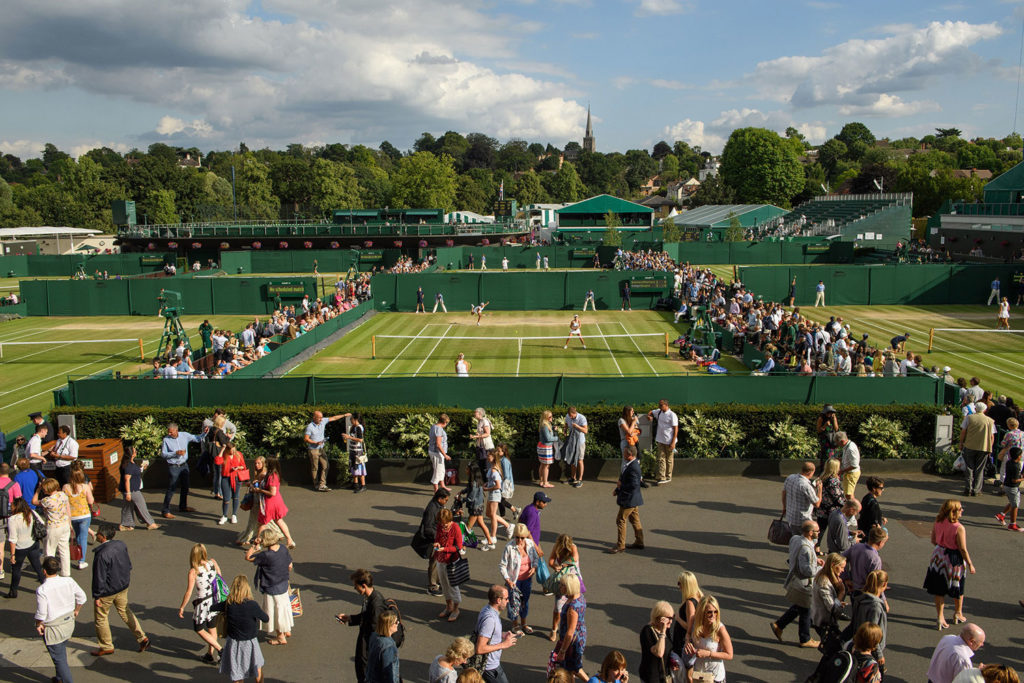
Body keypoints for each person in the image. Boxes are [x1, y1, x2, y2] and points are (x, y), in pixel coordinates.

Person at [90, 523, 149, 656]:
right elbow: (128, 564)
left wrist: (97, 595)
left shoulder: (101, 554)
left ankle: (106, 646)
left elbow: (99, 577)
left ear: (103, 536)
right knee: (125, 611)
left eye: (98, 533)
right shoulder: (121, 545)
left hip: (107, 591)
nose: (96, 534)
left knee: (101, 617)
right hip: (122, 586)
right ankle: (142, 637)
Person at [34, 555, 86, 683]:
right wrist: (76, 610)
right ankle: (59, 678)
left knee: (59, 660)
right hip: (68, 623)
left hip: (53, 628)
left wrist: (38, 624)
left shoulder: (42, 590)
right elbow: (82, 597)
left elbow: (41, 613)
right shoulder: (68, 581)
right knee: (61, 652)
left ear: (44, 571)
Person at [925, 499, 976, 630]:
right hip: (953, 558)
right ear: (954, 511)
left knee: (939, 589)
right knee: (958, 586)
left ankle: (940, 617)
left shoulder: (938, 521)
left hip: (938, 556)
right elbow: (962, 549)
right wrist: (970, 564)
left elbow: (933, 540)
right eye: (960, 509)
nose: (962, 510)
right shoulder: (959, 528)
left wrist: (941, 548)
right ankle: (958, 613)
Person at [770, 519, 822, 648]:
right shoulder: (806, 549)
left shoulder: (795, 539)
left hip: (794, 578)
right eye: (817, 531)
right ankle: (805, 638)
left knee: (800, 606)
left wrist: (815, 560)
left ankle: (779, 625)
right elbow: (807, 570)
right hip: (804, 583)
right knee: (806, 609)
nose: (819, 533)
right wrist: (820, 569)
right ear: (810, 533)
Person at [213, 574, 268, 683]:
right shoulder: (252, 605)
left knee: (237, 671)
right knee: (257, 667)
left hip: (234, 642)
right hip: (250, 641)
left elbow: (213, 607)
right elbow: (265, 618)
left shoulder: (228, 604)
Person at [337, 568, 387, 683]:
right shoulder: (370, 598)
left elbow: (375, 629)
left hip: (369, 645)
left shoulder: (376, 603)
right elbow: (365, 616)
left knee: (365, 672)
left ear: (363, 585)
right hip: (366, 641)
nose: (355, 589)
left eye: (356, 586)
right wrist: (349, 618)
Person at [177, 543, 224, 663]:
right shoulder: (213, 562)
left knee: (199, 628)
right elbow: (219, 576)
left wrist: (182, 607)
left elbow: (188, 592)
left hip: (203, 603)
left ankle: (220, 650)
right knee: (212, 627)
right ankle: (209, 654)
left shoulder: (194, 571)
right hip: (214, 600)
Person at [246, 528, 293, 646]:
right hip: (283, 584)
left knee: (275, 612)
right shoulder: (283, 549)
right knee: (283, 608)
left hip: (272, 587)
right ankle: (286, 630)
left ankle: (281, 636)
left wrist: (254, 545)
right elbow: (290, 565)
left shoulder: (266, 555)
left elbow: (248, 557)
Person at [500, 523, 542, 636]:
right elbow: (502, 565)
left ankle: (524, 624)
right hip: (514, 581)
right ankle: (515, 625)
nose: (519, 540)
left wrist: (534, 567)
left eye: (522, 537)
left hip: (527, 580)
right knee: (514, 603)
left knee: (525, 602)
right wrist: (508, 580)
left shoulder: (529, 544)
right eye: (517, 537)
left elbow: (535, 558)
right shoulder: (509, 547)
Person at [475, 584, 519, 683]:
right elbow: (480, 648)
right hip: (489, 667)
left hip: (491, 664)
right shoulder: (490, 619)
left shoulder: (487, 609)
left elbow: (486, 633)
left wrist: (501, 634)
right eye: (506, 599)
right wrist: (504, 644)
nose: (508, 601)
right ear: (499, 600)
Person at [160, 422, 203, 519]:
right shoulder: (166, 440)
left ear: (176, 430)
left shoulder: (185, 435)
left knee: (185, 486)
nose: (169, 434)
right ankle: (165, 511)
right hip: (173, 466)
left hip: (184, 465)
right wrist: (175, 453)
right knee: (171, 488)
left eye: (171, 432)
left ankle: (183, 507)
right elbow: (163, 454)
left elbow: (197, 439)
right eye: (169, 432)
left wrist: (204, 433)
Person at [685, 595, 732, 683]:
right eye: (709, 612)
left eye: (716, 612)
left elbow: (729, 654)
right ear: (702, 612)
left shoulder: (720, 629)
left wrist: (708, 653)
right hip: (698, 673)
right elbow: (688, 634)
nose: (713, 615)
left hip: (714, 676)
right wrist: (688, 642)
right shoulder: (694, 621)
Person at [849, 569, 888, 674]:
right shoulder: (875, 606)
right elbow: (872, 633)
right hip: (870, 648)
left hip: (858, 643)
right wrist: (879, 655)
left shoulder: (860, 599)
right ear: (884, 584)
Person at [5, 497, 45, 598]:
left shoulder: (12, 520)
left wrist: (12, 554)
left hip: (20, 548)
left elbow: (13, 539)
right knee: (38, 567)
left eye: (12, 505)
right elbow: (42, 523)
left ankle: (13, 592)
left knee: (16, 570)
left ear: (16, 506)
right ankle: (46, 587)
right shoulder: (32, 513)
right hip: (33, 544)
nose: (11, 507)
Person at [237, 457, 280, 549]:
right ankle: (275, 534)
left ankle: (253, 540)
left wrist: (251, 486)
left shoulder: (263, 474)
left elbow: (262, 488)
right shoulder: (262, 473)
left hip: (260, 499)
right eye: (255, 463)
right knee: (262, 520)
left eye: (259, 463)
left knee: (257, 520)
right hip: (259, 499)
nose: (256, 465)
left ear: (264, 464)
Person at [252, 457, 295, 549]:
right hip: (276, 502)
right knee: (279, 520)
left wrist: (260, 490)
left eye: (267, 463)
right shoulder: (272, 474)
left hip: (270, 503)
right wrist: (259, 482)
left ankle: (257, 545)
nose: (265, 464)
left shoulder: (272, 477)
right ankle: (290, 540)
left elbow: (272, 493)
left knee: (262, 524)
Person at [552, 573, 588, 681]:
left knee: (574, 668)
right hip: (580, 635)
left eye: (562, 585)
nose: (560, 587)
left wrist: (562, 651)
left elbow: (570, 632)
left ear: (569, 587)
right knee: (570, 668)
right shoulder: (579, 597)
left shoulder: (572, 608)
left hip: (572, 641)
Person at [608, 446, 644, 554]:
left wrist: (621, 487)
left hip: (629, 499)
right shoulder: (631, 464)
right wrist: (617, 489)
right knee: (634, 520)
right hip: (634, 499)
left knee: (620, 520)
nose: (623, 454)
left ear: (630, 455)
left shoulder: (633, 467)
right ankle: (639, 541)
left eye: (624, 453)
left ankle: (620, 545)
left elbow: (633, 485)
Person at [304, 410, 350, 492]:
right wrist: (315, 442)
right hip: (313, 449)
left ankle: (322, 484)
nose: (321, 419)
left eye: (322, 417)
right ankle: (316, 485)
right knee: (315, 468)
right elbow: (306, 439)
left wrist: (344, 415)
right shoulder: (310, 427)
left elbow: (334, 418)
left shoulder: (323, 421)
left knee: (326, 465)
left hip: (321, 449)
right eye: (319, 418)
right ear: (314, 417)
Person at [33, 478, 71, 577]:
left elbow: (34, 502)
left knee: (49, 551)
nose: (43, 490)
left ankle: (49, 572)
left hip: (53, 527)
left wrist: (37, 491)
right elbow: (68, 509)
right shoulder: (63, 495)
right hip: (65, 524)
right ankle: (66, 572)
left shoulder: (47, 500)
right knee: (64, 549)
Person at [414, 489, 449, 595]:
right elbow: (428, 528)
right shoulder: (432, 509)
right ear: (440, 499)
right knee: (435, 561)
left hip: (437, 538)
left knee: (438, 561)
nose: (446, 502)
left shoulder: (437, 506)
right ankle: (432, 586)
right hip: (433, 540)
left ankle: (437, 582)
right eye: (446, 500)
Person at [434, 507, 465, 622]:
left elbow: (458, 547)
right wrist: (437, 543)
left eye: (445, 524)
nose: (443, 526)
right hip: (440, 559)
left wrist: (445, 549)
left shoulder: (455, 528)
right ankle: (448, 606)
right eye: (442, 524)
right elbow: (437, 537)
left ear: (450, 520)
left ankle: (456, 609)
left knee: (453, 585)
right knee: (444, 584)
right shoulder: (439, 526)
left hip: (452, 561)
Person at [119, 445, 159, 531]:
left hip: (130, 490)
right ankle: (150, 523)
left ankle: (126, 525)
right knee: (142, 506)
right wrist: (128, 493)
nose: (136, 452)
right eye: (135, 451)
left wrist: (141, 468)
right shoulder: (129, 466)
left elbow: (133, 473)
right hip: (132, 490)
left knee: (128, 507)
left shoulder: (129, 463)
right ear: (132, 454)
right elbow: (127, 479)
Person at [671, 571, 703, 679]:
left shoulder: (690, 603)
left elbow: (690, 626)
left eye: (680, 583)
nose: (678, 586)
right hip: (690, 641)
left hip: (683, 642)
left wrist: (678, 619)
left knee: (685, 672)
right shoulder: (699, 597)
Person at [63, 464, 94, 571]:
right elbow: (91, 501)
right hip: (84, 515)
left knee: (78, 535)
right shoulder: (85, 487)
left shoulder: (65, 487)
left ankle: (76, 554)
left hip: (72, 516)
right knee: (83, 537)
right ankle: (81, 560)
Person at [960, 404, 995, 496]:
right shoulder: (990, 421)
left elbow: (963, 431)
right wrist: (990, 447)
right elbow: (992, 437)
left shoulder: (969, 418)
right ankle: (976, 490)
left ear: (975, 409)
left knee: (969, 468)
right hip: (983, 448)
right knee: (979, 469)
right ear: (985, 410)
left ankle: (968, 488)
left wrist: (961, 443)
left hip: (969, 446)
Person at [810, 552, 846, 643]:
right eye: (841, 567)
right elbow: (832, 607)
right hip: (824, 621)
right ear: (833, 565)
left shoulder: (822, 574)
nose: (843, 570)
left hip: (822, 618)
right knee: (833, 646)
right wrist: (841, 593)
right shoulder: (824, 583)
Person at [782, 461, 822, 536]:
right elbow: (817, 503)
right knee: (808, 541)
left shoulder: (790, 477)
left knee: (795, 538)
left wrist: (784, 507)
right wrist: (820, 489)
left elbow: (784, 492)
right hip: (803, 519)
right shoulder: (806, 486)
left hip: (791, 517)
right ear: (810, 472)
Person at [639, 601, 675, 683]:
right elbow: (659, 652)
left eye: (672, 617)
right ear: (659, 618)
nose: (671, 621)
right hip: (652, 678)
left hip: (665, 675)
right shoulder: (647, 631)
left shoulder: (666, 629)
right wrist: (662, 632)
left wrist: (672, 661)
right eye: (668, 618)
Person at [648, 399, 678, 486]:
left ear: (666, 405)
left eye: (661, 405)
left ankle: (668, 477)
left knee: (669, 460)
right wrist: (649, 416)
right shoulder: (659, 412)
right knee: (661, 458)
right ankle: (662, 477)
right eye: (659, 405)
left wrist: (673, 443)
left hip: (669, 441)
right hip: (660, 440)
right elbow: (651, 412)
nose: (659, 407)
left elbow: (676, 429)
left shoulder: (672, 415)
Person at [484, 450, 512, 543]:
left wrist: (487, 489)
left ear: (493, 457)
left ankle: (493, 536)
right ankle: (508, 525)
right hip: (492, 493)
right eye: (487, 456)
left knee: (492, 515)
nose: (487, 457)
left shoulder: (494, 470)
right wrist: (487, 484)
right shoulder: (493, 467)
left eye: (489, 456)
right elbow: (492, 481)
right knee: (488, 514)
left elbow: (498, 486)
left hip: (495, 494)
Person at [366, 611, 401, 683]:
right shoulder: (388, 646)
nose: (398, 623)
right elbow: (388, 672)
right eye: (396, 622)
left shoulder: (374, 636)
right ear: (389, 625)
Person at [219, 442, 248, 525]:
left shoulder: (238, 454)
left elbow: (243, 466)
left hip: (236, 477)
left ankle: (234, 515)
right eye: (231, 450)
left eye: (234, 449)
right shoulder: (224, 455)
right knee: (226, 498)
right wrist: (222, 450)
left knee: (236, 497)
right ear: (227, 450)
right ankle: (224, 515)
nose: (232, 451)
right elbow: (217, 461)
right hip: (225, 478)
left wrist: (238, 467)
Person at [996, 446, 1023, 530]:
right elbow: (1015, 480)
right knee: (1015, 505)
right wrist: (1022, 478)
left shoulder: (1009, 462)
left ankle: (1002, 515)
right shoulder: (1016, 466)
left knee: (1012, 502)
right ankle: (1012, 524)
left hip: (1006, 485)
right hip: (1013, 487)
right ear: (1018, 456)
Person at [563, 407, 588, 488]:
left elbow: (585, 431)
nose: (570, 417)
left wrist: (577, 426)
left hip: (580, 442)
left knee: (580, 460)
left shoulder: (582, 418)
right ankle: (573, 478)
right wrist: (565, 430)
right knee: (572, 459)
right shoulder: (567, 416)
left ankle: (580, 480)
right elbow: (566, 423)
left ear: (575, 413)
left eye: (572, 416)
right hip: (571, 441)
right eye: (569, 416)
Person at [344, 413, 368, 493]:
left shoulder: (358, 427)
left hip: (358, 451)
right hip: (353, 450)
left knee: (359, 467)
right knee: (353, 467)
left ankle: (363, 485)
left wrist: (349, 437)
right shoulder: (354, 427)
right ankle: (355, 484)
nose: (350, 420)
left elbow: (360, 439)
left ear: (355, 419)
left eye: (351, 419)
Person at [428, 414, 452, 494]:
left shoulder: (433, 426)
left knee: (441, 470)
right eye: (447, 423)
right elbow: (438, 444)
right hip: (437, 453)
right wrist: (445, 455)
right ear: (444, 422)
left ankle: (443, 486)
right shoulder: (439, 429)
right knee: (438, 472)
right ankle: (436, 491)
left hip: (435, 452)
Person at [835, 432, 861, 500]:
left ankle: (854, 509)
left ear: (842, 441)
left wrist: (842, 471)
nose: (837, 445)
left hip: (852, 473)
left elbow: (854, 465)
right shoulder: (846, 446)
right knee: (848, 494)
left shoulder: (850, 448)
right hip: (849, 473)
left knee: (849, 495)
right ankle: (853, 508)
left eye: (838, 443)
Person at [472, 408, 494, 474]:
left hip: (487, 448)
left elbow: (487, 433)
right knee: (481, 466)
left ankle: (489, 483)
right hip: (481, 447)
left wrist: (477, 436)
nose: (474, 414)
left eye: (475, 412)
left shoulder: (484, 421)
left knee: (486, 466)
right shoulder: (479, 421)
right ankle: (485, 483)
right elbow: (483, 433)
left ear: (480, 414)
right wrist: (478, 434)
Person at [538, 410, 557, 488]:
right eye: (550, 417)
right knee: (546, 466)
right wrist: (556, 438)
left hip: (542, 446)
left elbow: (547, 432)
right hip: (545, 447)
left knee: (542, 464)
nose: (551, 418)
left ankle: (542, 481)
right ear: (546, 417)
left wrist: (552, 428)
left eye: (552, 416)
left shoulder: (545, 424)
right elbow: (548, 438)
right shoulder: (545, 426)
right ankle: (545, 482)